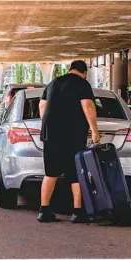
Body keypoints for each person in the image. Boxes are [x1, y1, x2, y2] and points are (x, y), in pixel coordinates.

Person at [38, 60, 100, 223]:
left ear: (70, 69)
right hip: (72, 134)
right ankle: (78, 212)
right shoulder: (82, 84)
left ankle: (44, 211)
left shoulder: (53, 83)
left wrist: (46, 124)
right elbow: (87, 106)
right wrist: (94, 131)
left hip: (50, 134)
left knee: (50, 172)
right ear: (84, 72)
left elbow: (42, 105)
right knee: (75, 172)